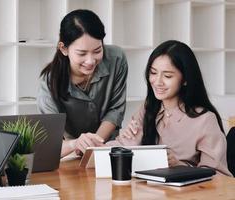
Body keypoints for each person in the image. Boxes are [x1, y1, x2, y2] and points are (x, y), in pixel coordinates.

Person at [107, 40, 231, 176]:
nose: (157, 81)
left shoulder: (205, 120)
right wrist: (90, 147)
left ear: (185, 79)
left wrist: (179, 165)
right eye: (153, 73)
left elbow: (218, 177)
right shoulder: (148, 108)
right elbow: (120, 147)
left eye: (167, 76)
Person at [37, 9, 128, 157]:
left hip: (107, 148)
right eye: (82, 53)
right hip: (71, 151)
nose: (91, 61)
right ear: (64, 49)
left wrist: (93, 146)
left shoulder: (116, 59)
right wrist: (76, 144)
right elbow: (51, 144)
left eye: (98, 50)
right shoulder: (49, 82)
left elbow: (115, 110)